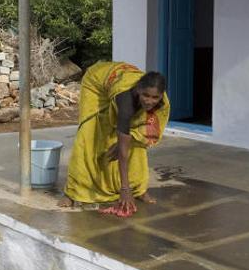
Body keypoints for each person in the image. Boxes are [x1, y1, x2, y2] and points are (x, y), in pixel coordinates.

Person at [59, 62, 170, 217]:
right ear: (139, 90)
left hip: (118, 80)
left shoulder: (161, 101)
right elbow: (122, 153)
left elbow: (146, 133)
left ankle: (139, 189)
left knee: (138, 140)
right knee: (91, 134)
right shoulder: (126, 103)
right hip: (96, 83)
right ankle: (73, 192)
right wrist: (125, 190)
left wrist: (126, 140)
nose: (149, 101)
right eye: (145, 95)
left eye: (154, 97)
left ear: (161, 95)